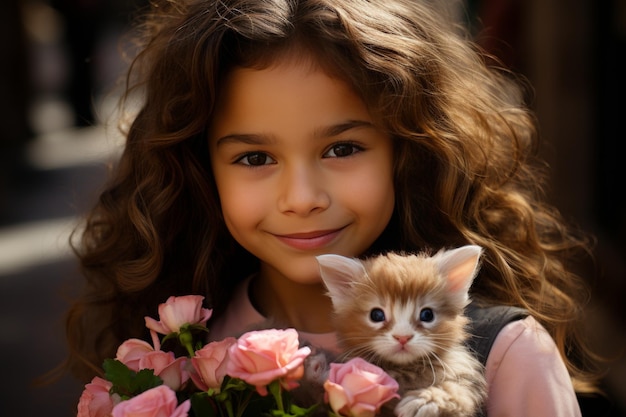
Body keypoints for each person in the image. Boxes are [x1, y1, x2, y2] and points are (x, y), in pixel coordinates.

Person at [62, 0, 603, 415]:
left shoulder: (507, 357)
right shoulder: (181, 357)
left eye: (342, 149)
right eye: (255, 157)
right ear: (201, 169)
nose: (302, 198)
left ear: (408, 149)